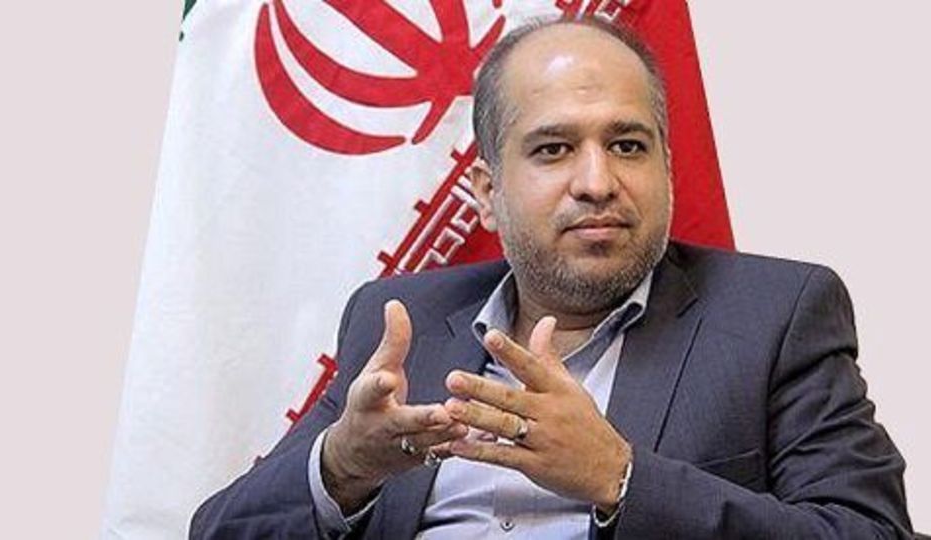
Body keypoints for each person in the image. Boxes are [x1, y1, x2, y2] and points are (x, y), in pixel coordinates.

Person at [190, 17, 912, 539]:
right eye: (553, 149)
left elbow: (867, 531)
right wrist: (342, 466)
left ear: (666, 168)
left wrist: (620, 478)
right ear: (486, 191)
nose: (597, 182)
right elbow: (218, 530)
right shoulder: (401, 320)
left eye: (627, 145)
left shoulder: (776, 316)